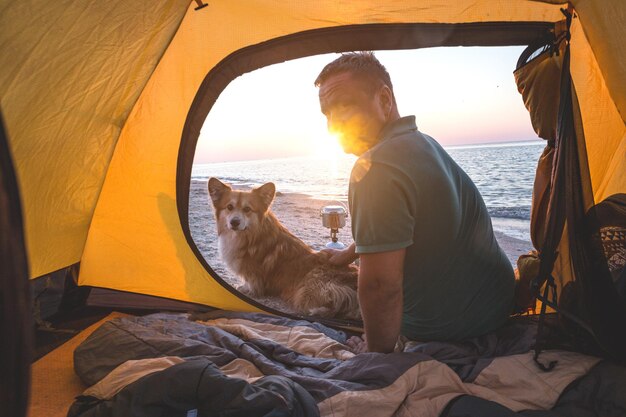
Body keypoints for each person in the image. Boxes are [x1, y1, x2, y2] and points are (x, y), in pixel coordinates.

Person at [315, 52, 516, 353]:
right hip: (497, 306)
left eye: (345, 106)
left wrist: (374, 353)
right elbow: (413, 224)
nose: (333, 125)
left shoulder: (376, 168)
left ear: (384, 100)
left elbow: (380, 288)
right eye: (327, 113)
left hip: (448, 330)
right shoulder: (421, 143)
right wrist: (349, 253)